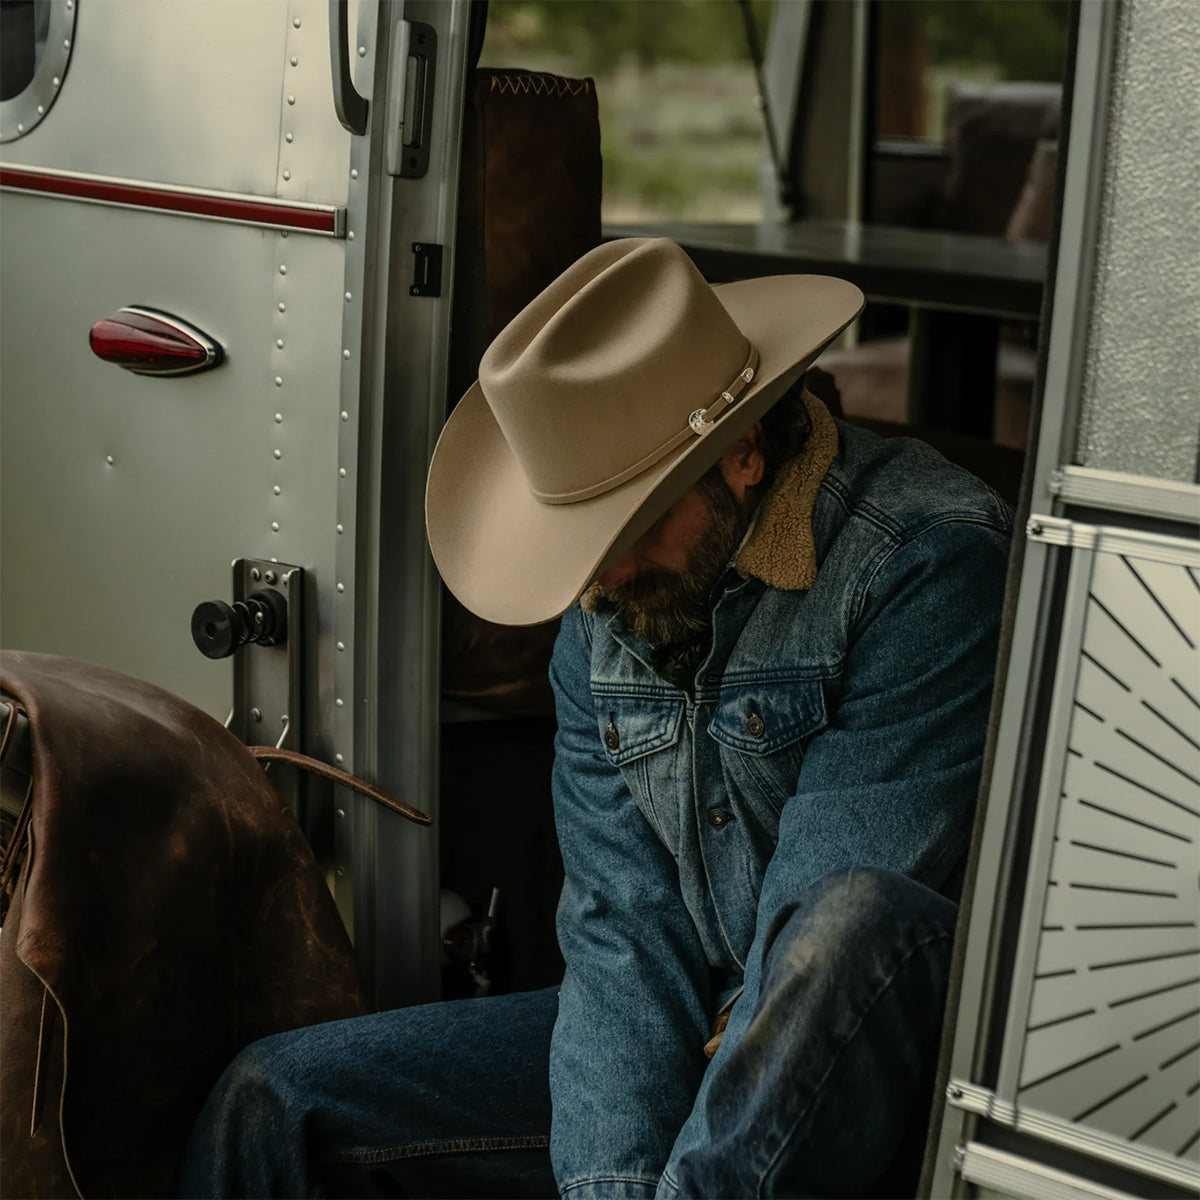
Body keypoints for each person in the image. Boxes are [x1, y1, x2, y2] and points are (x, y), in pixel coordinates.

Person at [178, 238, 1011, 1198]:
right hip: (692, 1021)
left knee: (847, 924)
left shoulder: (926, 565)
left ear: (744, 452)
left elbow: (817, 962)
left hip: (869, 1055)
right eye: (580, 536)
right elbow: (623, 936)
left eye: (634, 524)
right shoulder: (610, 600)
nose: (602, 575)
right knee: (277, 1100)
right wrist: (611, 1185)